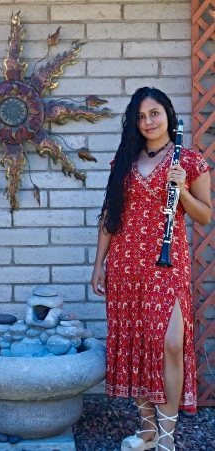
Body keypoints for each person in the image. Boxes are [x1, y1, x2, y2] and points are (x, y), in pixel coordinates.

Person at [91, 87, 211, 451]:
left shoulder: (189, 161)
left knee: (171, 343)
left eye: (155, 113)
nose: (148, 122)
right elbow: (110, 215)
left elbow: (204, 216)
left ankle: (167, 437)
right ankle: (146, 431)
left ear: (168, 115)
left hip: (167, 264)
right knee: (139, 343)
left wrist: (183, 191)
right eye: (142, 117)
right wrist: (99, 265)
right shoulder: (125, 160)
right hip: (126, 262)